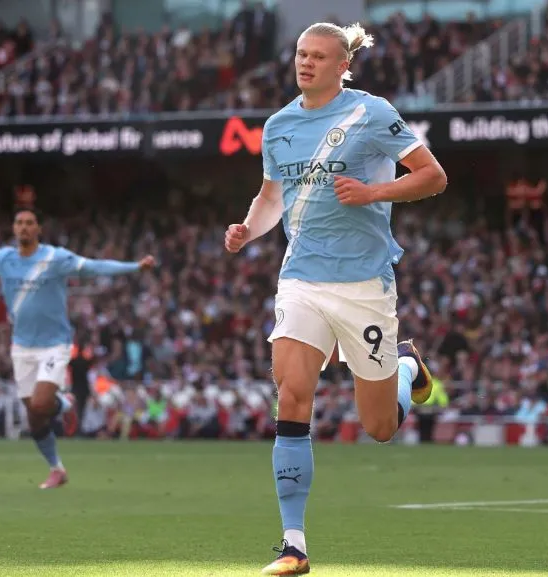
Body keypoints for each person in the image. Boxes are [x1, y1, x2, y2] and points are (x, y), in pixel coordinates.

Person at [223, 21, 447, 575]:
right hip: (302, 277)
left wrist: (375, 190)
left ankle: (405, 367)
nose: (307, 63)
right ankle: (294, 545)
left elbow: (433, 176)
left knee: (379, 428)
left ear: (343, 65)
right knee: (291, 392)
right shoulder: (278, 125)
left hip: (366, 284)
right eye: (301, 54)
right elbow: (273, 194)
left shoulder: (371, 113)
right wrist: (249, 230)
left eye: (319, 57)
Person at [0, 210, 155, 489]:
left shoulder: (55, 259)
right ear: (14, 229)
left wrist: (135, 267)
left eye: (29, 223)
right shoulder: (4, 260)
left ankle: (62, 404)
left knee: (41, 404)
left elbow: (94, 266)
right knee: (33, 414)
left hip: (55, 344)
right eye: (19, 223)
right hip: (22, 346)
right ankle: (57, 469)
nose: (24, 228)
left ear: (38, 229)